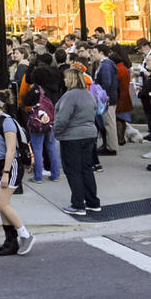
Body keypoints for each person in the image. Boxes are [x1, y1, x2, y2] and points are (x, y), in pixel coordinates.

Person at [0, 90, 34, 255]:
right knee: (1, 205)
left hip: (11, 164)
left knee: (2, 204)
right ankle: (10, 241)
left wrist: (6, 172)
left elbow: (11, 149)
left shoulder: (7, 122)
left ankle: (25, 235)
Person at [53, 70, 100, 217]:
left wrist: (56, 131)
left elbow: (63, 119)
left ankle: (78, 204)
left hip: (72, 137)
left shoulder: (69, 96)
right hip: (90, 134)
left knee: (73, 170)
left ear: (71, 79)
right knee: (86, 168)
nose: (65, 80)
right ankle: (93, 202)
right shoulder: (88, 94)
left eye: (66, 78)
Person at [90, 45, 119, 153]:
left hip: (107, 99)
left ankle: (111, 147)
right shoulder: (105, 64)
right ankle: (107, 145)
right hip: (107, 98)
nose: (92, 53)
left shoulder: (106, 65)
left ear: (101, 52)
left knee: (109, 123)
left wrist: (100, 94)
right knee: (106, 122)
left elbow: (107, 83)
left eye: (94, 51)